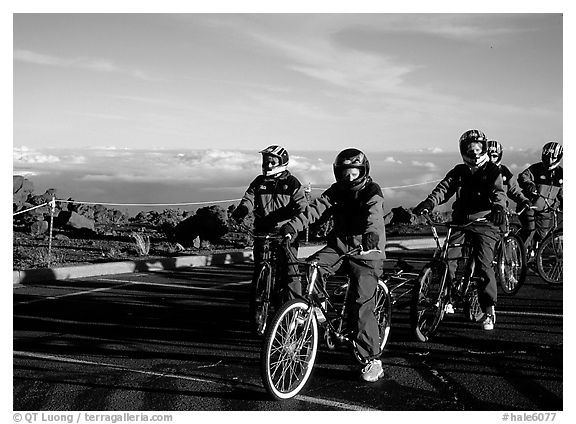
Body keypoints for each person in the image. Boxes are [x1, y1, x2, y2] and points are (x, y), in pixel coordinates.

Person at [280, 148, 387, 382]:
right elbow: (315, 209)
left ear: (363, 170)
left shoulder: (371, 190)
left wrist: (370, 236)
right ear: (338, 172)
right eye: (345, 172)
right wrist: (293, 226)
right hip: (340, 248)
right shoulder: (336, 191)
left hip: (367, 253)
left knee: (361, 305)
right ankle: (318, 312)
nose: (349, 176)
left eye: (354, 172)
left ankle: (373, 359)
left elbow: (374, 216)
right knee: (311, 267)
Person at [412, 130, 507, 331]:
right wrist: (429, 202)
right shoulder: (459, 171)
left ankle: (489, 309)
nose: (474, 152)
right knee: (448, 258)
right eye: (470, 149)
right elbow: (443, 189)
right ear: (463, 151)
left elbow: (499, 192)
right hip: (460, 221)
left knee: (484, 265)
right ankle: (446, 296)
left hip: (485, 222)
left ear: (484, 148)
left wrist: (499, 208)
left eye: (478, 148)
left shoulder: (491, 171)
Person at [231, 145, 308, 300]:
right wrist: (242, 210)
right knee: (260, 268)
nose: (268, 165)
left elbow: (303, 206)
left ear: (282, 162)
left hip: (286, 232)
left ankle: (294, 307)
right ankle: (259, 302)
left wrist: (294, 222)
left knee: (290, 271)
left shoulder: (292, 183)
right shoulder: (259, 182)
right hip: (262, 231)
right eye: (266, 161)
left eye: (272, 162)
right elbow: (249, 199)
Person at [516, 142, 563, 256]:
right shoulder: (535, 168)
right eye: (547, 157)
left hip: (546, 210)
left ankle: (536, 256)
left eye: (553, 158)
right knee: (530, 230)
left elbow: (562, 192)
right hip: (529, 206)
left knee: (543, 235)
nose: (550, 160)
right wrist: (529, 185)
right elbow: (523, 177)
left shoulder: (562, 173)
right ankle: (518, 256)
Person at [487, 140, 532, 213]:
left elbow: (513, 190)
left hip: (500, 212)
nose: (491, 159)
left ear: (499, 156)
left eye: (494, 156)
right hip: (480, 214)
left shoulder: (504, 171)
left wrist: (524, 200)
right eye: (488, 156)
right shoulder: (477, 171)